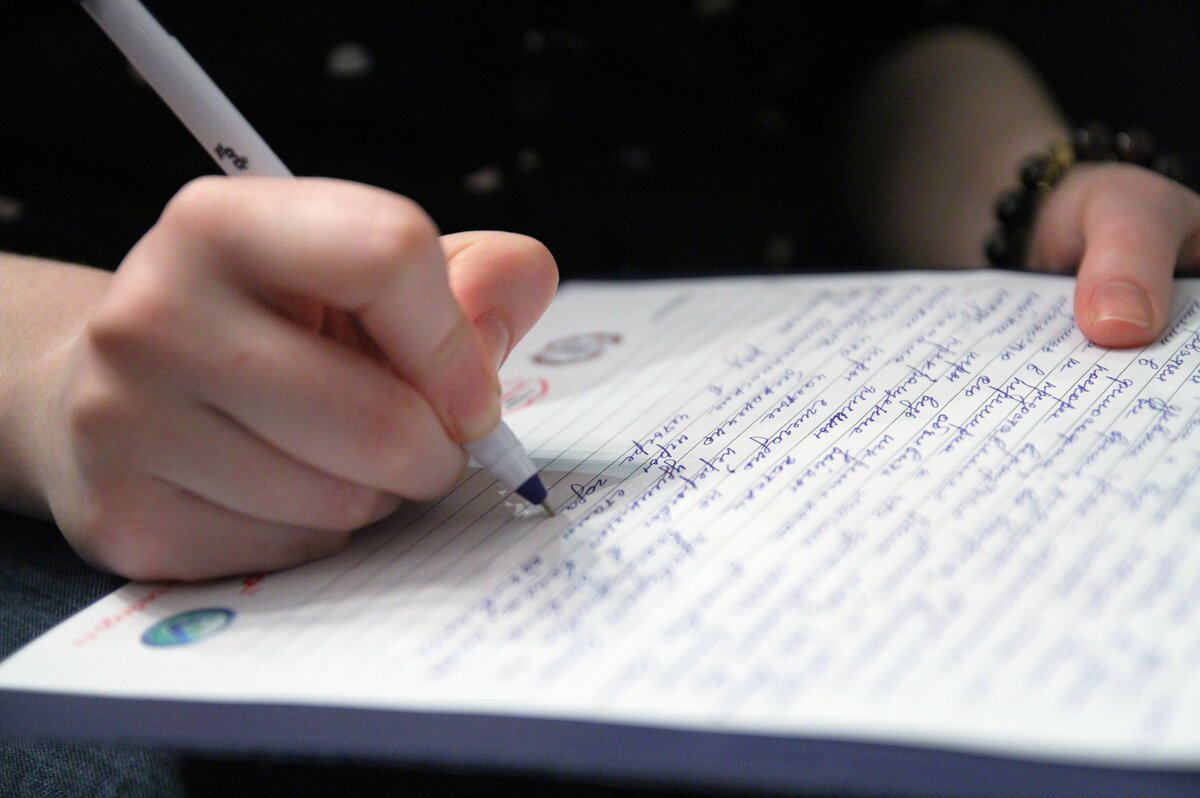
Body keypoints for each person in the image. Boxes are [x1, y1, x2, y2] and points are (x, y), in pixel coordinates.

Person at [0, 4, 1198, 793]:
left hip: (796, 318)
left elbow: (877, 45)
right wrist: (55, 384)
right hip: (127, 458)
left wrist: (1025, 192)